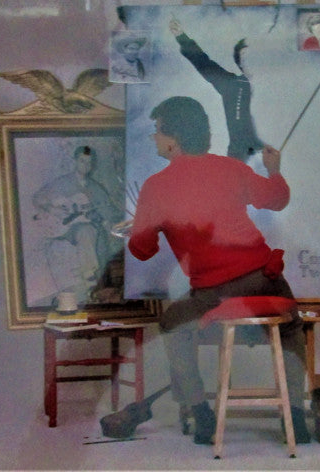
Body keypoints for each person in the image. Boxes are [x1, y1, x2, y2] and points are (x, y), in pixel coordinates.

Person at [126, 96, 310, 445]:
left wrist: (140, 225)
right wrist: (274, 169)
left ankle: (201, 414)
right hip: (265, 279)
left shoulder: (155, 187)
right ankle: (296, 419)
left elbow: (143, 249)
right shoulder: (231, 168)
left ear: (173, 139)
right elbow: (277, 199)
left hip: (214, 293)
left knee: (171, 324)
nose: (154, 138)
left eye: (157, 131)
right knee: (290, 327)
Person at [32, 145, 121, 301]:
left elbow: (109, 212)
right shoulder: (62, 183)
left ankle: (101, 289)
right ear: (75, 161)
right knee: (86, 231)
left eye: (89, 162)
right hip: (66, 228)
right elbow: (38, 198)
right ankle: (90, 279)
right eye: (82, 161)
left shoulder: (96, 188)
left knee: (98, 237)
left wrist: (111, 219)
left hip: (90, 227)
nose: (85, 165)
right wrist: (53, 209)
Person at [169, 18, 264, 161]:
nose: (251, 62)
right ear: (239, 63)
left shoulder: (286, 81)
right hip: (247, 154)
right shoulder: (235, 85)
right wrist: (182, 37)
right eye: (244, 56)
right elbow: (204, 64)